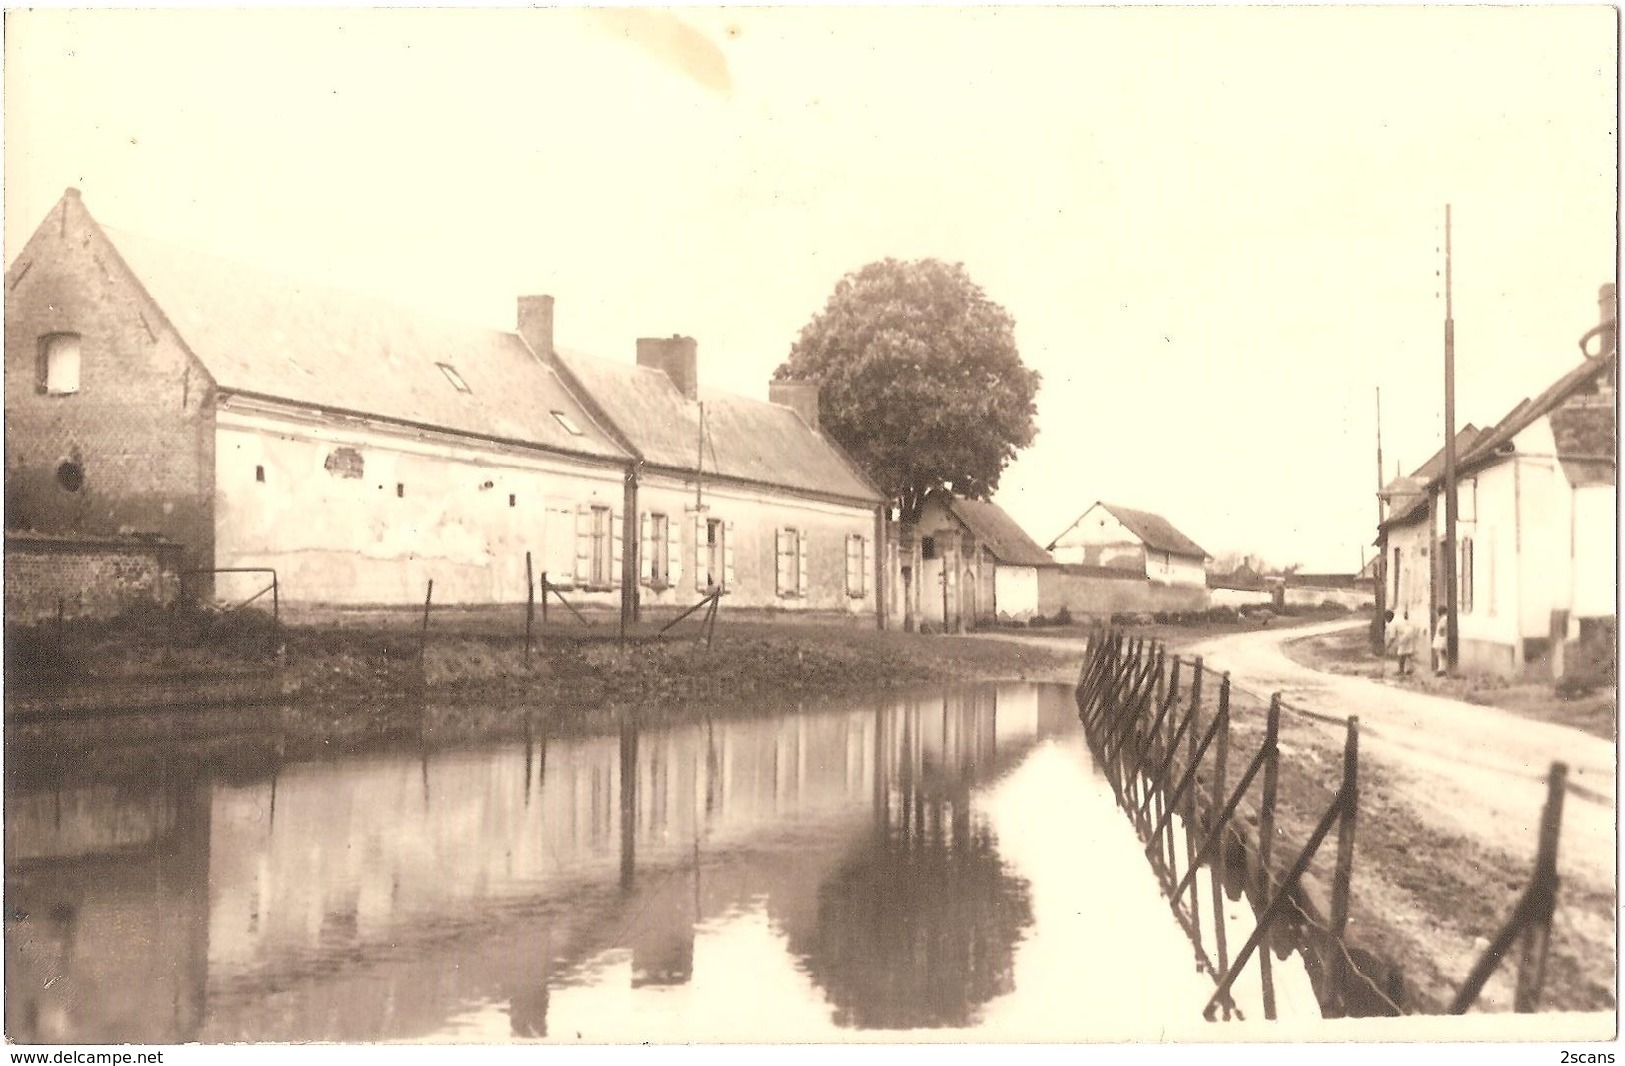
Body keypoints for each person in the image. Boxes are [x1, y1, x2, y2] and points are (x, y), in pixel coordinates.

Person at [1384, 610, 1416, 676]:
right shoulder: (1398, 617)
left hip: (1405, 634)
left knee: (1401, 653)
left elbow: (1392, 637)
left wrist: (1388, 646)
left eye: (1386, 619)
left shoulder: (1393, 623)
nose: (1386, 621)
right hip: (1411, 632)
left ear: (1389, 617)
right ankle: (1411, 668)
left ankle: (1401, 671)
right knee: (1408, 651)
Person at [1432, 605, 1449, 676]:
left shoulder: (1444, 619)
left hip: (1441, 639)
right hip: (1442, 638)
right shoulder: (1445, 618)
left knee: (1441, 654)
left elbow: (1442, 629)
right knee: (1441, 654)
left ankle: (1441, 669)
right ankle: (1441, 669)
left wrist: (1441, 636)